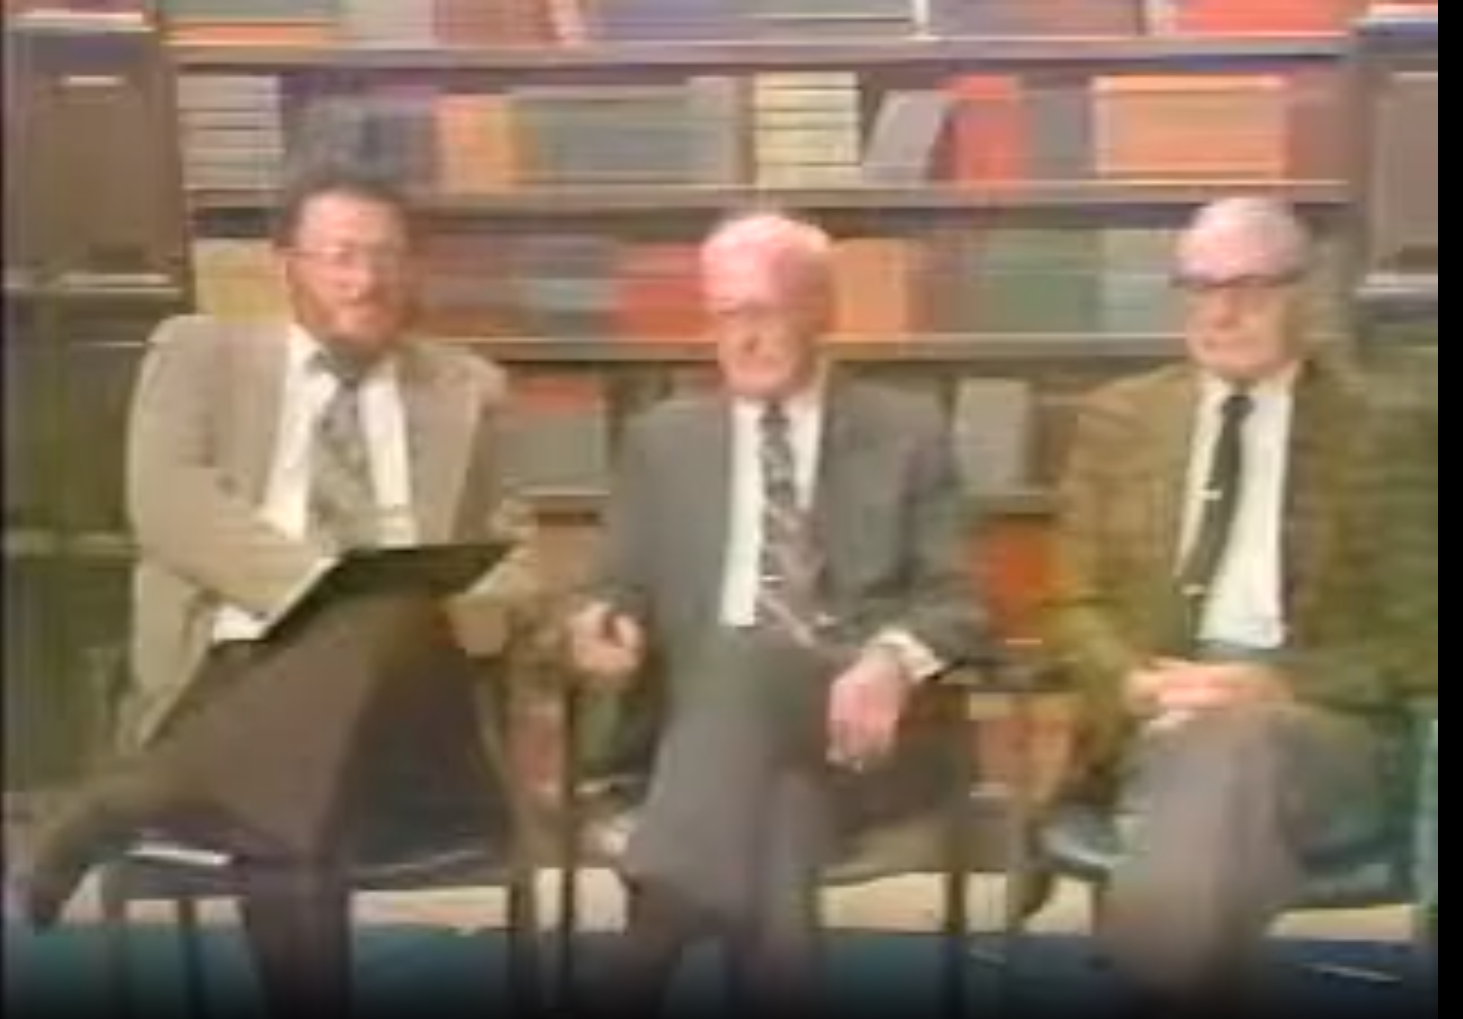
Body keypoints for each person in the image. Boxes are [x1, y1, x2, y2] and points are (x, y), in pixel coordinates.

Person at [11, 164, 540, 1013]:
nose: (364, 279)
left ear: (412, 268)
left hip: (409, 712)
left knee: (388, 603)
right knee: (293, 793)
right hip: (234, 680)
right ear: (284, 263)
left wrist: (426, 608)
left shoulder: (463, 388)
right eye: (340, 255)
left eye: (385, 256)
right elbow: (166, 500)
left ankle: (128, 796)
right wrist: (322, 593)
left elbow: (516, 555)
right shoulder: (200, 355)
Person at [564, 209, 990, 1013]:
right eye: (725, 314)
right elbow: (617, 586)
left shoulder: (906, 431)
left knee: (750, 664)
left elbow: (956, 600)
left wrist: (890, 659)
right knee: (777, 815)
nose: (744, 337)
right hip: (697, 750)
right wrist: (603, 623)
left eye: (764, 310)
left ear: (820, 310)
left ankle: (636, 959)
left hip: (860, 738)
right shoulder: (662, 440)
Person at [1040, 196, 1436, 1007]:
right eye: (1199, 286)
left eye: (1249, 288)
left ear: (1304, 293)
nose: (1220, 312)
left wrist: (1277, 684)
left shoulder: (1387, 428)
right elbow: (1071, 603)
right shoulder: (1120, 419)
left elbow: (1424, 636)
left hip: (1323, 737)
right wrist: (1134, 682)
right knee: (1208, 763)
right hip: (1152, 722)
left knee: (1228, 743)